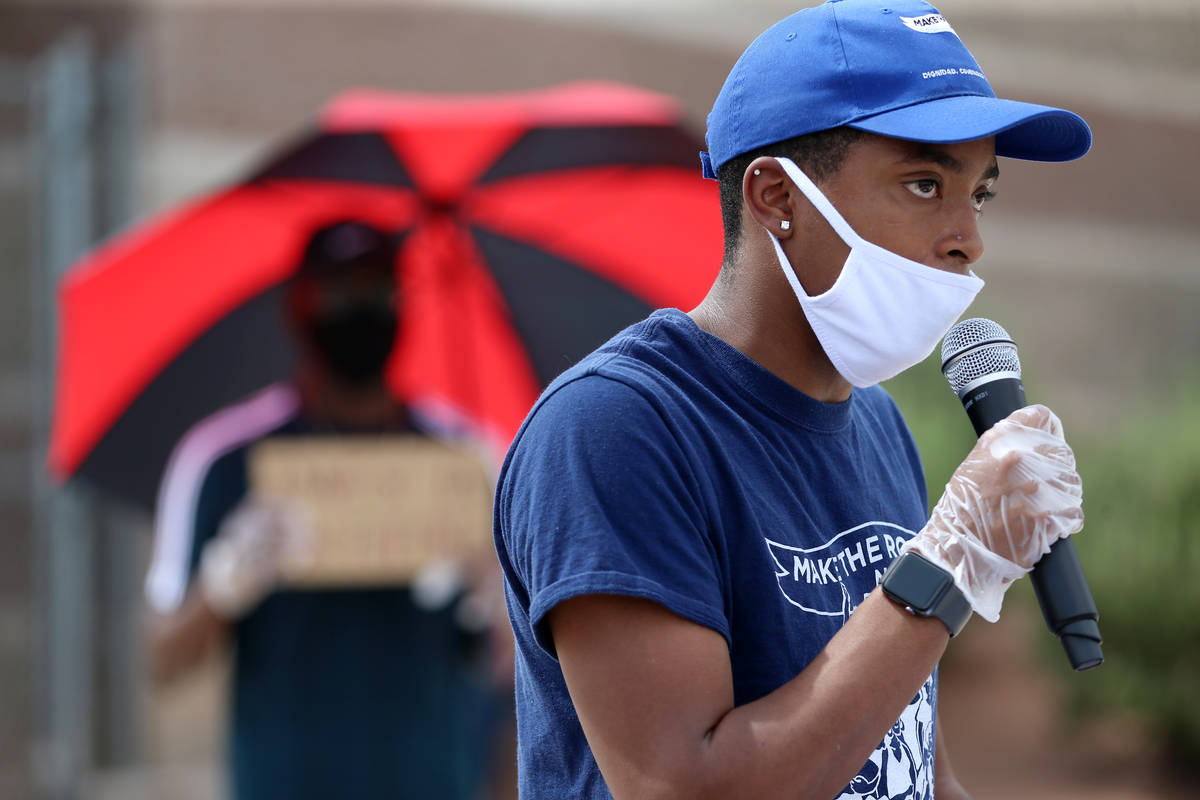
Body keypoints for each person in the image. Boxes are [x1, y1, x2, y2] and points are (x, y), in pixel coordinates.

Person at [493, 2, 1090, 798]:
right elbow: (686, 787)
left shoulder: (876, 423)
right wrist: (946, 565)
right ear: (777, 196)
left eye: (978, 193)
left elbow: (908, 752)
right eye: (924, 183)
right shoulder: (614, 429)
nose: (967, 237)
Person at [144, 220, 514, 799]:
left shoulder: (469, 463)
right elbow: (160, 659)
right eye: (340, 293)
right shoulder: (225, 459)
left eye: (378, 291)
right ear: (300, 307)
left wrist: (501, 610)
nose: (360, 310)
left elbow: (520, 678)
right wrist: (222, 588)